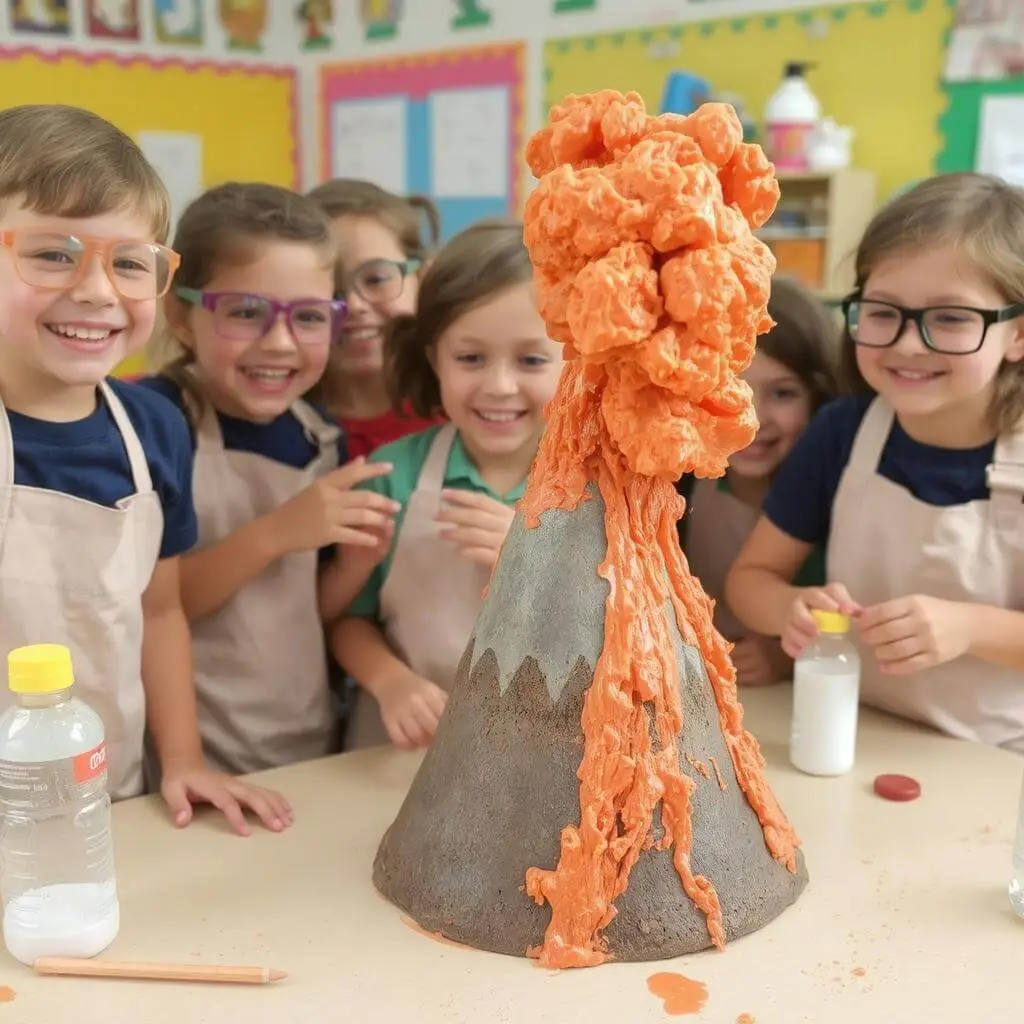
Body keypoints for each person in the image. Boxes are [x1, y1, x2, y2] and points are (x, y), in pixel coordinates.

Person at [0, 103, 289, 834]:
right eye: (52, 253)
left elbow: (159, 612)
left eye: (131, 262)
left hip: (113, 796)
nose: (98, 291)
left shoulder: (154, 427)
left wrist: (184, 757)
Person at [725, 173, 1024, 750]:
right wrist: (790, 607)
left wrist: (968, 628)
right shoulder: (842, 432)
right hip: (851, 731)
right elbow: (750, 581)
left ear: (1016, 336)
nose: (909, 344)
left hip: (999, 754)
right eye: (884, 312)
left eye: (952, 318)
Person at [141, 182, 397, 775]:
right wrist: (278, 532)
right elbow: (157, 608)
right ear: (182, 315)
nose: (279, 342)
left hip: (305, 742)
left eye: (309, 317)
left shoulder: (321, 435)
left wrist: (355, 567)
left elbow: (305, 607)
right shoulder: (158, 422)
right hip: (188, 755)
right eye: (246, 312)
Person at [327, 219, 564, 750]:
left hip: (543, 755)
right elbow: (346, 620)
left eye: (531, 360)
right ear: (435, 357)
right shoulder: (393, 475)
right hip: (401, 751)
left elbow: (632, 623)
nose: (499, 386)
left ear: (574, 360)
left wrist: (538, 559)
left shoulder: (599, 485)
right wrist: (390, 682)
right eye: (470, 358)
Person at [679, 276, 839, 686]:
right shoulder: (680, 483)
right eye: (729, 389)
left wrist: (785, 658)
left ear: (820, 398)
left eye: (783, 394)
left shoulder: (836, 500)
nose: (751, 418)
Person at [306, 178, 444, 456]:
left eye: (377, 278)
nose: (354, 305)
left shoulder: (464, 408)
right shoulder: (276, 418)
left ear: (422, 278)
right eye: (330, 286)